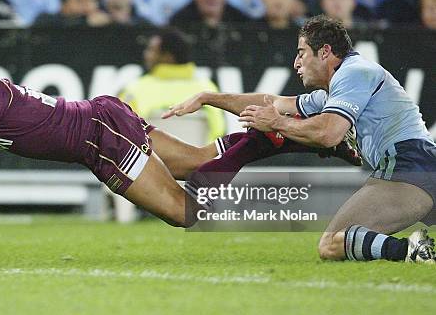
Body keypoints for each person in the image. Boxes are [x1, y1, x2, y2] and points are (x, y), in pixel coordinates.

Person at [0, 29, 217, 230]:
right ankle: (270, 137)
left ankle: (269, 191)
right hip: (104, 116)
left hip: (102, 139)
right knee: (201, 163)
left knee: (184, 213)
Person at [165, 14, 436, 263]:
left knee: (331, 244)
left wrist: (277, 123)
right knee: (336, 242)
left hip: (406, 164)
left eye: (301, 53)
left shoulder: (354, 73)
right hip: (420, 164)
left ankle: (414, 252)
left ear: (325, 52)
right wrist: (209, 98)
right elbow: (272, 101)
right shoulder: (333, 91)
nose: (296, 63)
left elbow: (328, 133)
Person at [119, 28, 225, 143]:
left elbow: (122, 132)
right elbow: (218, 131)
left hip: (151, 158)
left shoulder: (134, 89)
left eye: (151, 50)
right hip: (199, 159)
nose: (146, 55)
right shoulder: (208, 88)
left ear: (168, 57)